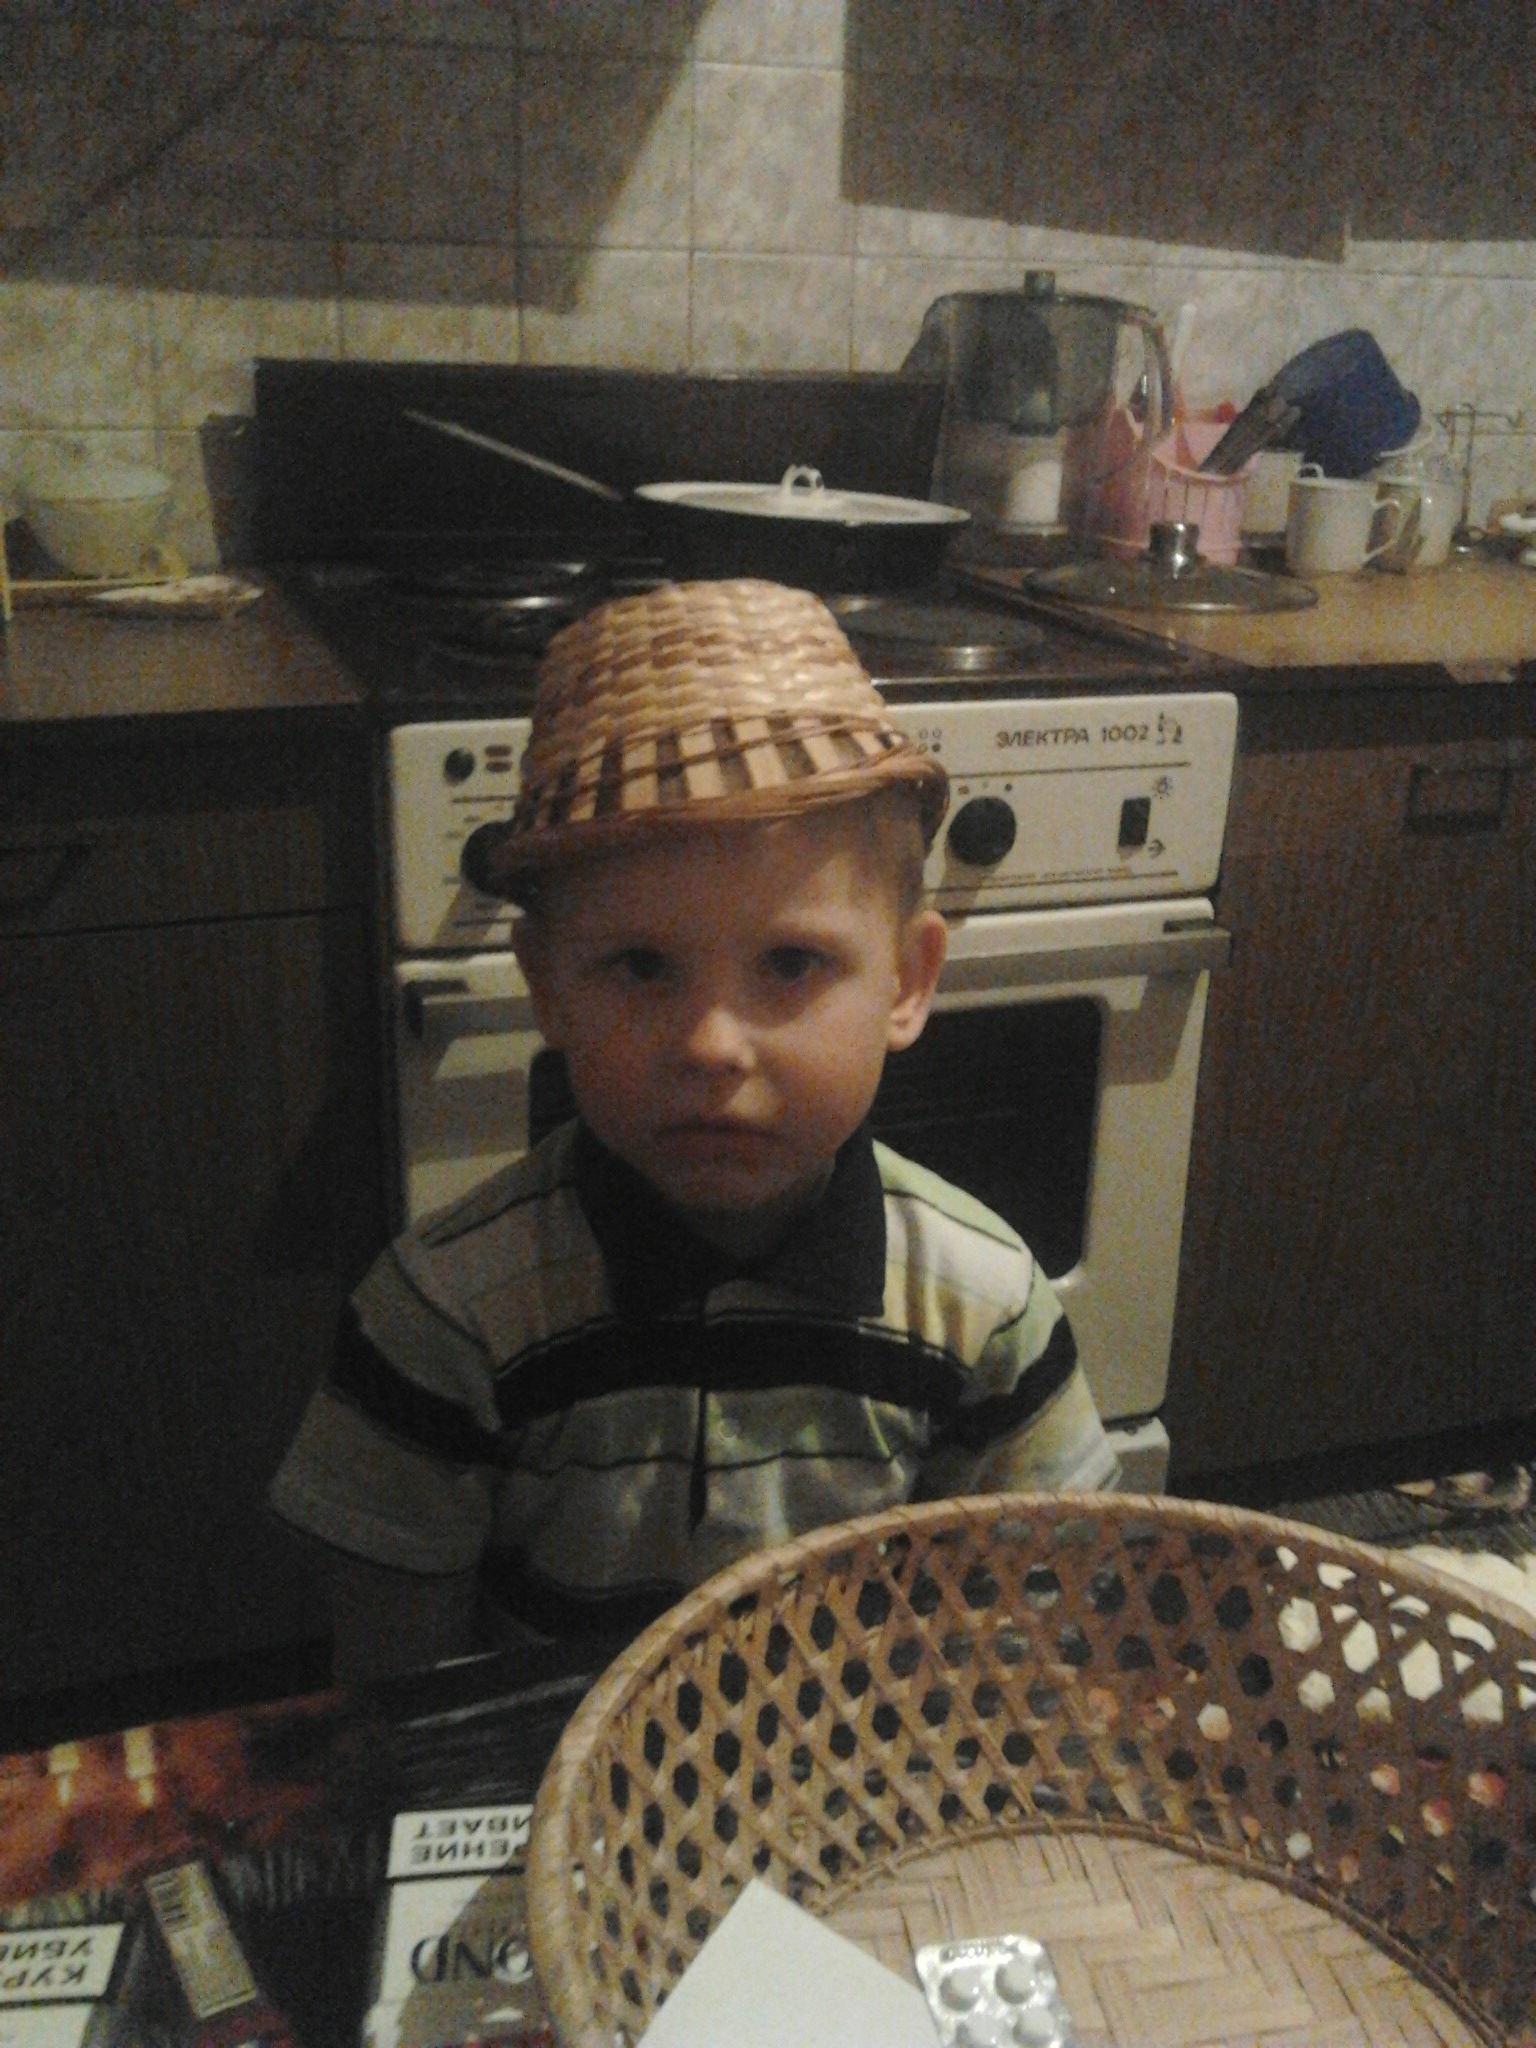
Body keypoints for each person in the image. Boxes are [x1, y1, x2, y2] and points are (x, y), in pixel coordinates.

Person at [270, 579, 1119, 1682]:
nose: (713, 1044)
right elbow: (400, 1691)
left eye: (791, 962)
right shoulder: (441, 1320)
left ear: (909, 981)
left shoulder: (987, 1306)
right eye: (641, 965)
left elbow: (1019, 1641)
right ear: (547, 986)